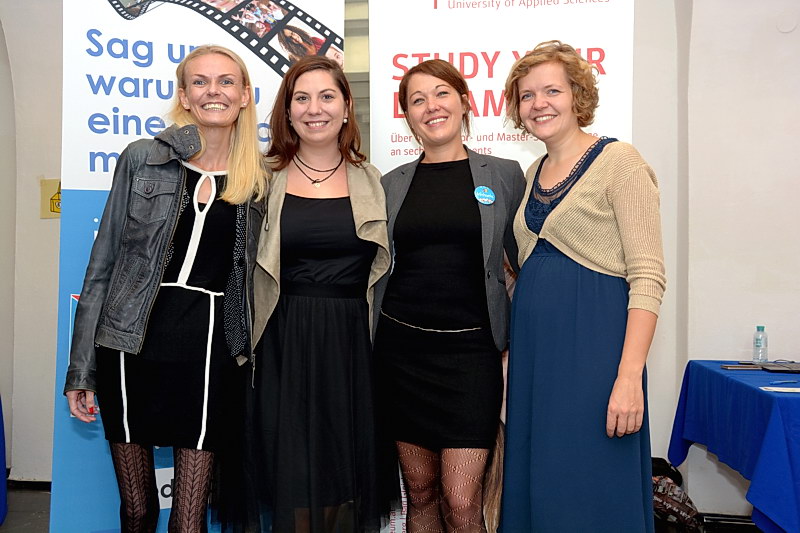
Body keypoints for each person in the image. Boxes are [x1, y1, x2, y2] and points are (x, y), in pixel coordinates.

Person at [63, 44, 267, 533]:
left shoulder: (261, 179)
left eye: (226, 81)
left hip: (211, 349)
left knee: (189, 520)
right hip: (130, 340)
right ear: (184, 95)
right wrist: (81, 371)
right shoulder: (142, 159)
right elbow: (102, 266)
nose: (213, 91)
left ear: (244, 95)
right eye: (200, 82)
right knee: (137, 511)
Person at [499, 40, 666, 532]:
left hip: (595, 358)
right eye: (527, 95)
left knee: (591, 484)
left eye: (552, 90)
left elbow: (648, 276)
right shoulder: (533, 172)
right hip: (537, 362)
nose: (539, 104)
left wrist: (629, 377)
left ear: (577, 95)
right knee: (543, 482)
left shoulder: (620, 162)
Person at [372, 59, 525, 533]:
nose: (431, 107)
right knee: (420, 492)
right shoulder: (390, 184)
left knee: (461, 501)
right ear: (407, 116)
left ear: (464, 102)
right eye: (417, 100)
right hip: (401, 354)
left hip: (472, 356)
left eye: (441, 94)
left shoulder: (504, 175)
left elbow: (524, 263)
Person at [243, 55, 391, 532]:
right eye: (301, 98)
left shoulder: (375, 182)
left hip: (350, 349)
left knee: (340, 479)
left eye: (327, 96)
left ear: (346, 107)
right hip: (281, 344)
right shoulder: (261, 179)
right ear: (287, 112)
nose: (314, 109)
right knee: (290, 474)